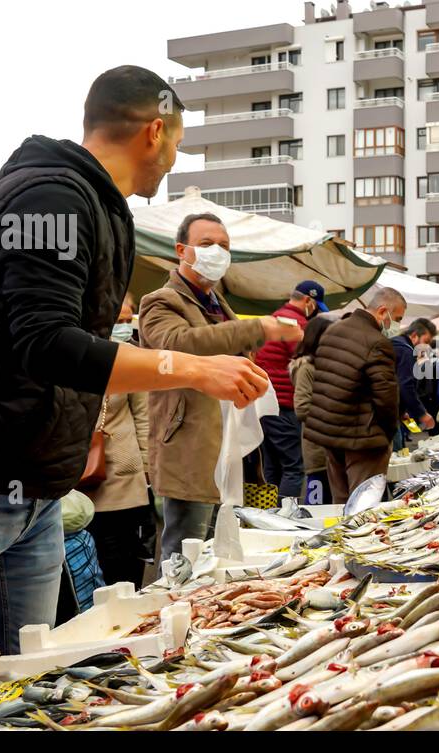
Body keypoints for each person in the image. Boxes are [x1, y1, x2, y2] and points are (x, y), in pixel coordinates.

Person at [0, 66, 271, 731]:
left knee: (28, 686)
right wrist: (190, 366)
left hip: (33, 495)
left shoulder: (96, 206)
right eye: (178, 142)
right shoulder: (52, 196)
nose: (173, 159)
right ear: (155, 131)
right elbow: (47, 344)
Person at [140, 212, 303, 560]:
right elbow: (179, 343)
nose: (217, 252)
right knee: (186, 551)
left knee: (220, 547)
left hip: (228, 446)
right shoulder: (160, 301)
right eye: (206, 244)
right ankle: (176, 612)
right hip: (191, 445)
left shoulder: (217, 302)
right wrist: (259, 328)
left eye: (224, 246)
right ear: (182, 250)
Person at [303, 287, 405, 503]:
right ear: (382, 310)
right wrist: (387, 433)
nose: (396, 324)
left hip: (331, 434)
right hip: (363, 438)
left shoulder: (332, 331)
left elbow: (325, 383)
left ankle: (340, 538)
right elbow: (386, 396)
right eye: (397, 318)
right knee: (363, 506)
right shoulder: (376, 342)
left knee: (341, 503)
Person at [82, 299, 155, 588]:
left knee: (125, 571)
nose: (124, 327)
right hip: (79, 482)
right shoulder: (72, 352)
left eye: (128, 321)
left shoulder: (129, 357)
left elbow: (143, 415)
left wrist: (147, 467)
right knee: (89, 569)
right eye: (118, 321)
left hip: (124, 479)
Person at [254, 280, 328, 501]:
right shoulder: (296, 325)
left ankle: (267, 517)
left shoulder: (273, 319)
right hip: (285, 405)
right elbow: (305, 356)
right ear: (308, 301)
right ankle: (285, 520)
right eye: (316, 307)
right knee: (294, 468)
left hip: (263, 404)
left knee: (271, 468)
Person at [290, 314, 333, 505]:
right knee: (318, 506)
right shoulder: (306, 367)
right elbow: (302, 407)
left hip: (331, 449)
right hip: (317, 450)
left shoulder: (325, 365)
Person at [391, 317, 438, 451]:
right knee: (396, 456)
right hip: (388, 418)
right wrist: (422, 413)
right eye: (426, 342)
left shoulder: (396, 345)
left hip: (392, 413)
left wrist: (403, 408)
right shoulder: (405, 350)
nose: (427, 347)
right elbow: (405, 385)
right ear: (414, 336)